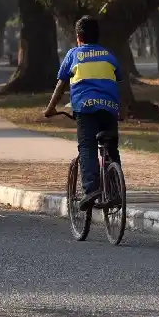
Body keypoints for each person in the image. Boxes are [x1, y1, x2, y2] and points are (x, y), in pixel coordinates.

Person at [43, 16, 123, 211]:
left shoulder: (74, 54)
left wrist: (50, 108)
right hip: (109, 109)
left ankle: (90, 189)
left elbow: (61, 85)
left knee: (87, 147)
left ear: (78, 37)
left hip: (86, 109)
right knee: (111, 147)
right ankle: (115, 191)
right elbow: (117, 79)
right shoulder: (108, 55)